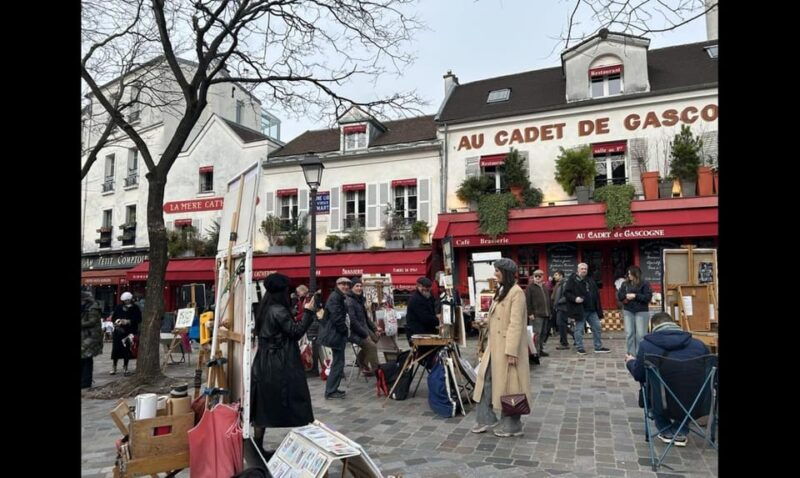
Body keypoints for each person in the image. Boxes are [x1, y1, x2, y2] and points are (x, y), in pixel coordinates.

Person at [250, 273, 317, 455]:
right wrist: (309, 312)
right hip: (280, 362)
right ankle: (307, 443)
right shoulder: (278, 309)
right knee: (296, 400)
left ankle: (257, 445)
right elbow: (295, 332)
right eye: (287, 290)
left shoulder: (265, 307)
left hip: (264, 361)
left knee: (263, 406)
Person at [624, 312, 709, 446]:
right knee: (686, 386)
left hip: (662, 403)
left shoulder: (647, 346)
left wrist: (630, 362)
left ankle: (666, 430)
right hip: (697, 403)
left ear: (654, 326)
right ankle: (680, 429)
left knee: (654, 386)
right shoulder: (699, 345)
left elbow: (639, 375)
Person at [472, 258, 531, 437]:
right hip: (494, 347)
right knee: (484, 380)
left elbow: (516, 323)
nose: (494, 274)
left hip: (507, 349)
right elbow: (498, 317)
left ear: (505, 272)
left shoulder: (516, 292)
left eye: (497, 270)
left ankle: (512, 425)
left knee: (510, 387)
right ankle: (486, 418)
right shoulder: (502, 290)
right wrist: (485, 322)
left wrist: (512, 351)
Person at [563, 263, 610, 355]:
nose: (584, 270)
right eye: (582, 269)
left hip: (592, 309)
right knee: (579, 329)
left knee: (597, 327)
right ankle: (580, 348)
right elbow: (566, 293)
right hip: (580, 309)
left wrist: (598, 308)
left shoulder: (590, 279)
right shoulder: (572, 280)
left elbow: (595, 293)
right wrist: (575, 298)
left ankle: (598, 347)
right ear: (578, 269)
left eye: (585, 269)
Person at [318, 277, 351, 400]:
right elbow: (337, 318)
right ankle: (331, 391)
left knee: (339, 363)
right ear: (337, 285)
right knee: (338, 364)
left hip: (336, 334)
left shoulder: (339, 297)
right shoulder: (335, 297)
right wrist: (345, 330)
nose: (345, 286)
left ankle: (333, 389)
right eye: (343, 284)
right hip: (335, 334)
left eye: (347, 284)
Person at [345, 278, 380, 375]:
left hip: (363, 328)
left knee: (376, 338)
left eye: (360, 286)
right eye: (357, 286)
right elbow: (353, 322)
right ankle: (377, 371)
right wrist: (365, 335)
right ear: (352, 288)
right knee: (372, 346)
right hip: (354, 332)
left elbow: (366, 317)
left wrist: (375, 328)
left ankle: (360, 361)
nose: (359, 288)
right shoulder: (349, 301)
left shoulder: (359, 299)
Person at [618, 265, 654, 356]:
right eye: (628, 273)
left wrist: (635, 296)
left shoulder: (645, 283)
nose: (628, 275)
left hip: (641, 311)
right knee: (629, 333)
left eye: (630, 273)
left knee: (641, 334)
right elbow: (619, 296)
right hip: (628, 310)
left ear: (635, 274)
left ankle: (640, 353)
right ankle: (631, 353)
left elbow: (648, 297)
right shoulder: (624, 284)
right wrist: (625, 296)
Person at [110, 291, 142, 375]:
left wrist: (128, 321)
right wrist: (117, 321)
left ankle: (125, 367)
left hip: (129, 331)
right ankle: (114, 366)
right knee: (116, 349)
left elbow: (139, 319)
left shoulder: (135, 308)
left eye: (128, 300)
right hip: (119, 331)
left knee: (127, 350)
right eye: (125, 300)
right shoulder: (118, 307)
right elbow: (114, 317)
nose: (126, 302)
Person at [404, 277, 439, 346]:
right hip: (418, 333)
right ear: (419, 286)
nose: (427, 290)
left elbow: (433, 307)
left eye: (429, 288)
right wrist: (438, 319)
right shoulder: (416, 299)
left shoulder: (428, 296)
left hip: (426, 330)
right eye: (426, 288)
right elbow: (425, 318)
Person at [524, 269, 551, 358]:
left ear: (543, 277)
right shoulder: (530, 287)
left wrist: (549, 312)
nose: (538, 278)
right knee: (536, 334)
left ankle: (540, 349)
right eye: (536, 276)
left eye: (540, 276)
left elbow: (548, 300)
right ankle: (535, 352)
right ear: (533, 277)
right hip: (536, 314)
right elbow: (527, 301)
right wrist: (530, 313)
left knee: (543, 333)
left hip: (545, 314)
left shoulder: (544, 287)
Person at [81, 291, 103, 389]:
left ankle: (86, 381)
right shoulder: (85, 306)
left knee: (87, 358)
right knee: (83, 358)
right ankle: (84, 380)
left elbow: (93, 321)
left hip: (91, 336)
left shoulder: (93, 307)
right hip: (84, 336)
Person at [550, 270, 572, 351]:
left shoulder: (564, 284)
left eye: (556, 275)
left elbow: (566, 296)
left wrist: (558, 302)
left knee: (561, 324)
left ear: (561, 276)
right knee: (562, 324)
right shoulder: (558, 284)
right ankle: (572, 337)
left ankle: (564, 343)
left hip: (562, 307)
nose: (554, 276)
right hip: (558, 307)